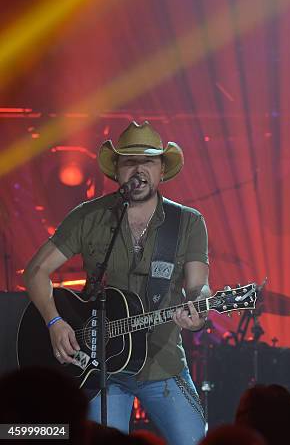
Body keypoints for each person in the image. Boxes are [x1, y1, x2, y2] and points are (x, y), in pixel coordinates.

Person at [24, 121, 210, 445]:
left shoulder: (188, 222)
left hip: (162, 365)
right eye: (129, 162)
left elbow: (198, 287)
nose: (139, 169)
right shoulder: (89, 216)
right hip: (100, 369)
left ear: (162, 171)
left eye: (148, 161)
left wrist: (198, 311)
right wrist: (54, 321)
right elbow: (36, 271)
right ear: (117, 171)